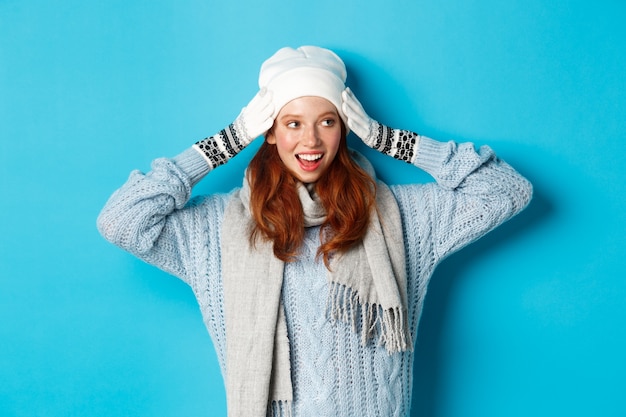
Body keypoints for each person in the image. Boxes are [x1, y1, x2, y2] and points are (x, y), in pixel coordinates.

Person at [97, 46, 532, 417]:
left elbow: (506, 192)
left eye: (327, 121)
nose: (311, 141)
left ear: (345, 129)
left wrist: (389, 139)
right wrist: (225, 142)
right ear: (268, 132)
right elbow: (122, 222)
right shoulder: (217, 229)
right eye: (292, 123)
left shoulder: (401, 216)